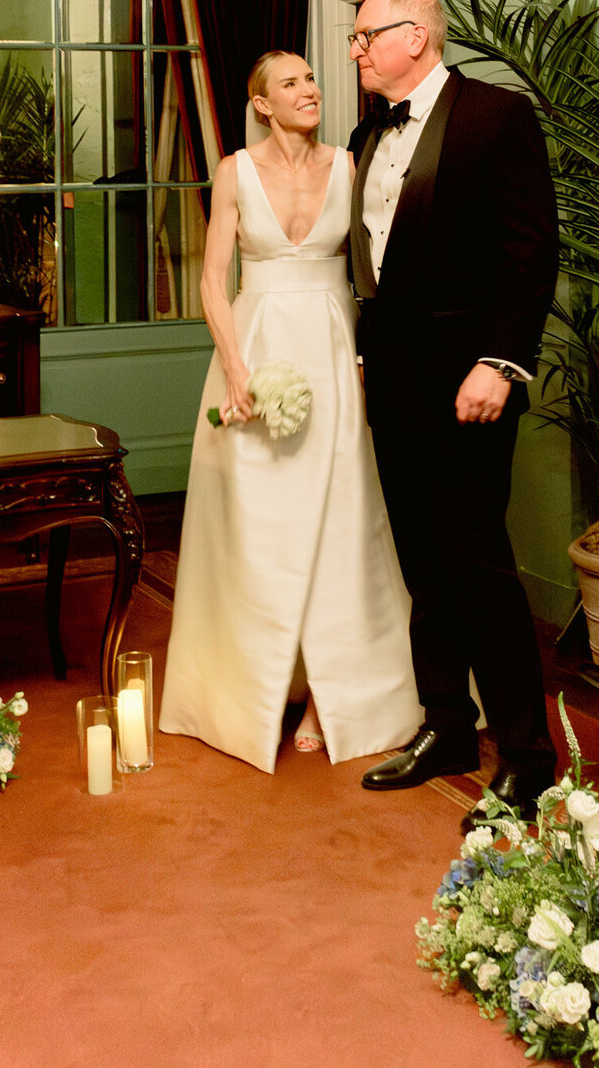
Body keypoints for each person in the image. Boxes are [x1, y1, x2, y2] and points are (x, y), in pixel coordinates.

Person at [159, 49, 421, 773]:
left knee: (342, 521)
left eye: (311, 79)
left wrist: (371, 362)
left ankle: (329, 696)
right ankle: (249, 690)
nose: (309, 90)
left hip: (334, 359)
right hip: (254, 354)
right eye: (291, 83)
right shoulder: (235, 171)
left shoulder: (351, 164)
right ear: (262, 104)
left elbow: (378, 272)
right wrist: (237, 369)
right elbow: (214, 282)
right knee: (255, 525)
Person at [347, 0, 560, 823]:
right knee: (422, 564)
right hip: (392, 376)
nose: (357, 49)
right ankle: (447, 726)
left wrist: (500, 363)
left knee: (476, 563)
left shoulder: (496, 118)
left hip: (470, 377)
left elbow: (529, 251)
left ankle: (528, 757)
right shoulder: (369, 131)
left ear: (417, 37)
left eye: (368, 35)